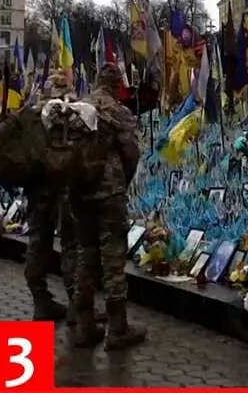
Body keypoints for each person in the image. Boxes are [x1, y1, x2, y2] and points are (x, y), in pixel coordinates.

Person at [57, 64, 146, 350]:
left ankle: (84, 324)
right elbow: (131, 152)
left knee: (85, 253)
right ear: (117, 84)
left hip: (78, 191)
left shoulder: (76, 108)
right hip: (108, 193)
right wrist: (122, 179)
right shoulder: (117, 112)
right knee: (113, 256)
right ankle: (118, 328)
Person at [0, 86, 84, 324]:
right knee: (70, 243)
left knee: (37, 243)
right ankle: (77, 307)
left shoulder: (28, 116)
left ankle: (41, 301)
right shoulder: (62, 114)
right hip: (60, 188)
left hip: (35, 190)